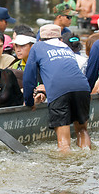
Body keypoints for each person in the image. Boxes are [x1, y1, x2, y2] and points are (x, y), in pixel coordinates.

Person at [23, 24, 91, 152]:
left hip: (59, 90)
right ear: (60, 38)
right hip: (82, 87)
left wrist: (29, 101)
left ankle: (66, 169)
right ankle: (87, 159)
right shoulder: (66, 47)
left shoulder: (37, 47)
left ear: (40, 39)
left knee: (64, 141)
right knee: (82, 130)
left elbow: (28, 78)